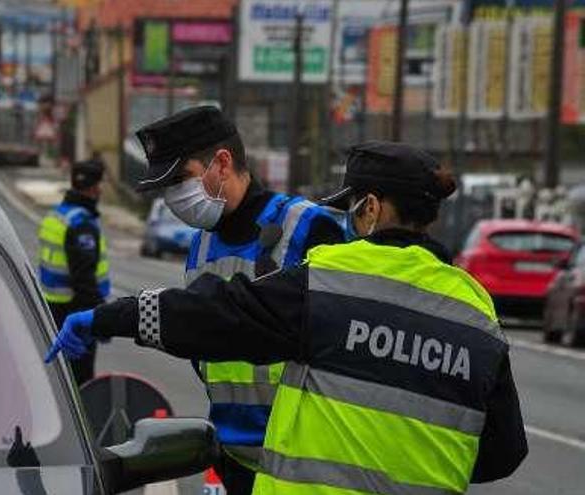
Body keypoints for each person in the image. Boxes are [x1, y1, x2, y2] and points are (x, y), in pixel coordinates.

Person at [47, 141, 528, 494]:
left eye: (353, 210)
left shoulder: (330, 282)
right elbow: (503, 451)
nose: (349, 222)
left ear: (373, 208)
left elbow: (215, 314)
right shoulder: (473, 306)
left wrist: (104, 320)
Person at [132, 106, 343, 494]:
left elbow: (338, 351)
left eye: (181, 179)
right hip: (235, 463)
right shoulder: (201, 243)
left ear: (222, 163)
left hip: (302, 470)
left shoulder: (308, 226)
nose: (173, 196)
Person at [38, 158, 110, 385]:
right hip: (77, 312)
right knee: (81, 381)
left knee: (59, 379)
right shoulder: (81, 224)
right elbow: (84, 278)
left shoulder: (56, 215)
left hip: (52, 308)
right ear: (95, 188)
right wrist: (103, 318)